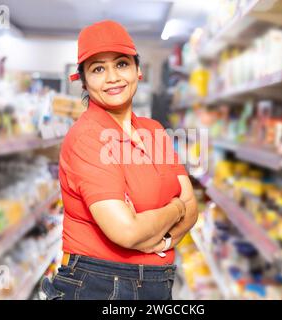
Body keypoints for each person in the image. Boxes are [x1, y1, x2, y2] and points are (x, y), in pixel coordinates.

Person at [41, 20, 198, 300]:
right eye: (98, 68)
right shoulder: (86, 138)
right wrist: (175, 209)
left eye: (121, 64)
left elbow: (192, 207)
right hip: (98, 285)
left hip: (156, 283)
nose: (112, 77)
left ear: (138, 71)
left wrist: (159, 238)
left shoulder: (154, 130)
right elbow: (126, 231)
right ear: (85, 81)